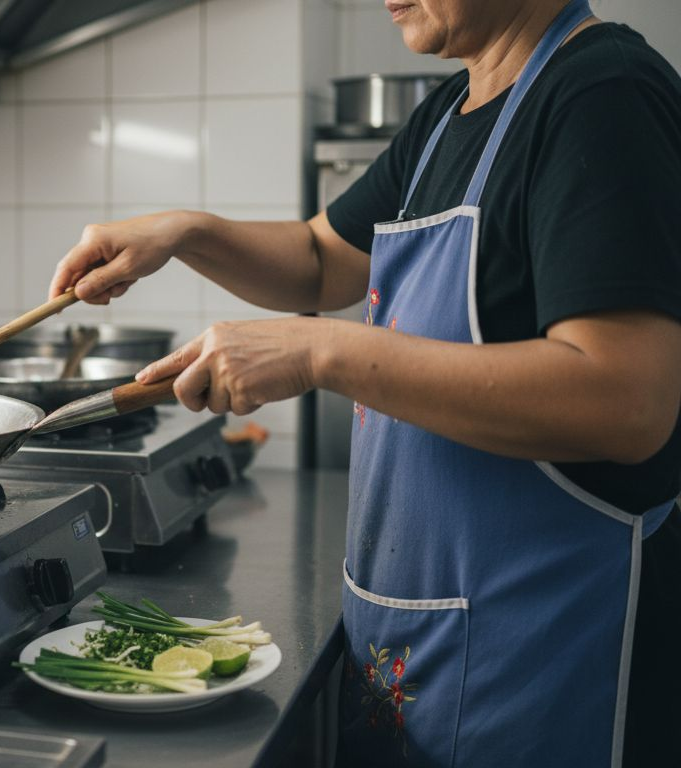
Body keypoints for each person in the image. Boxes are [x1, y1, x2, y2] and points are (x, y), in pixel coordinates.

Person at [48, 0, 681, 764]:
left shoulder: (602, 94)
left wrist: (322, 354)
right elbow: (322, 257)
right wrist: (184, 232)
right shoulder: (451, 110)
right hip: (427, 646)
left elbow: (625, 401)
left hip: (546, 657)